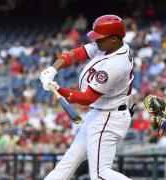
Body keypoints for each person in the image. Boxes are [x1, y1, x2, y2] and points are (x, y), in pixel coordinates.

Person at [40, 15, 133, 180]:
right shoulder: (108, 46)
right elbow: (76, 53)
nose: (96, 42)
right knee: (68, 162)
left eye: (100, 39)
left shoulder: (117, 64)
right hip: (99, 114)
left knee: (100, 174)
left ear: (113, 39)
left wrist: (57, 88)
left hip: (109, 117)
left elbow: (87, 98)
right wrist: (52, 70)